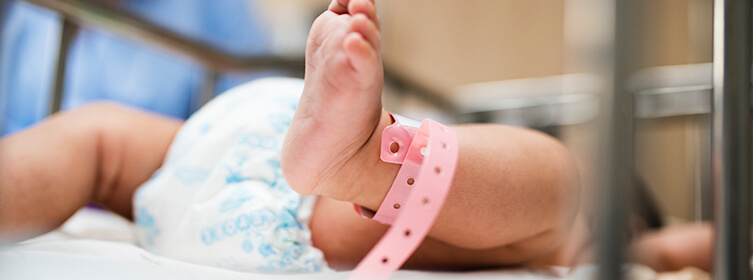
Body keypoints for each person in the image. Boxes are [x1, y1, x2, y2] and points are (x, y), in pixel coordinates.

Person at [0, 0, 714, 274]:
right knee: (555, 186)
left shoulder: (609, 243)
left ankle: (370, 157)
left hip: (223, 145)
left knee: (95, 142)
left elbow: (685, 245)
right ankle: (368, 159)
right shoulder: (575, 235)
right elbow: (698, 243)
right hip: (316, 189)